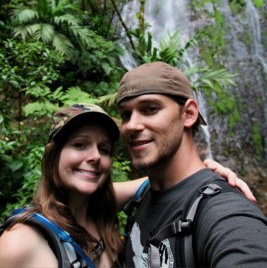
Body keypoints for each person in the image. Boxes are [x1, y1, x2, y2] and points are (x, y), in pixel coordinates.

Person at [0, 103, 256, 268]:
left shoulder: (102, 207)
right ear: (53, 155)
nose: (94, 157)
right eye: (79, 145)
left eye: (104, 149)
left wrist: (207, 171)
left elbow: (168, 180)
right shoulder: (21, 242)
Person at [117, 61, 267, 267]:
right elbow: (69, 197)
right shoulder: (145, 194)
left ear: (188, 114)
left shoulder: (225, 211)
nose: (132, 125)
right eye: (126, 114)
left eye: (150, 109)